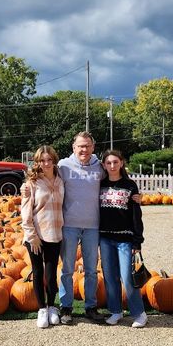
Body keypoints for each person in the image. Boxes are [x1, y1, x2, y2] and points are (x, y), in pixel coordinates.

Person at [56, 132, 105, 324]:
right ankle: (66, 307)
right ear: (73, 147)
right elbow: (46, 179)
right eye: (80, 146)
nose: (83, 149)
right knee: (68, 269)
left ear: (93, 147)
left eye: (87, 146)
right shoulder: (63, 166)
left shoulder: (99, 167)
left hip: (93, 226)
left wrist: (134, 194)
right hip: (69, 225)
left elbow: (117, 179)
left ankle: (90, 307)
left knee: (92, 270)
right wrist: (26, 187)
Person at [98, 150, 147, 328]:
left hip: (125, 239)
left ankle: (139, 313)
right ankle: (116, 311)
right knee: (110, 277)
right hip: (104, 238)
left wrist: (137, 241)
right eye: (108, 163)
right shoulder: (100, 185)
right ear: (103, 165)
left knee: (128, 278)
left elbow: (136, 215)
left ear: (121, 163)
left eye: (115, 162)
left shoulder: (130, 186)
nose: (112, 166)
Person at [20, 146, 65, 329]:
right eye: (41, 161)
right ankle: (41, 309)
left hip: (55, 233)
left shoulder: (61, 180)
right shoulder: (32, 184)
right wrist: (32, 236)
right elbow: (25, 211)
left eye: (49, 160)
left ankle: (52, 306)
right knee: (38, 273)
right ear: (37, 162)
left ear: (54, 160)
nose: (46, 164)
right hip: (36, 235)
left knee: (51, 273)